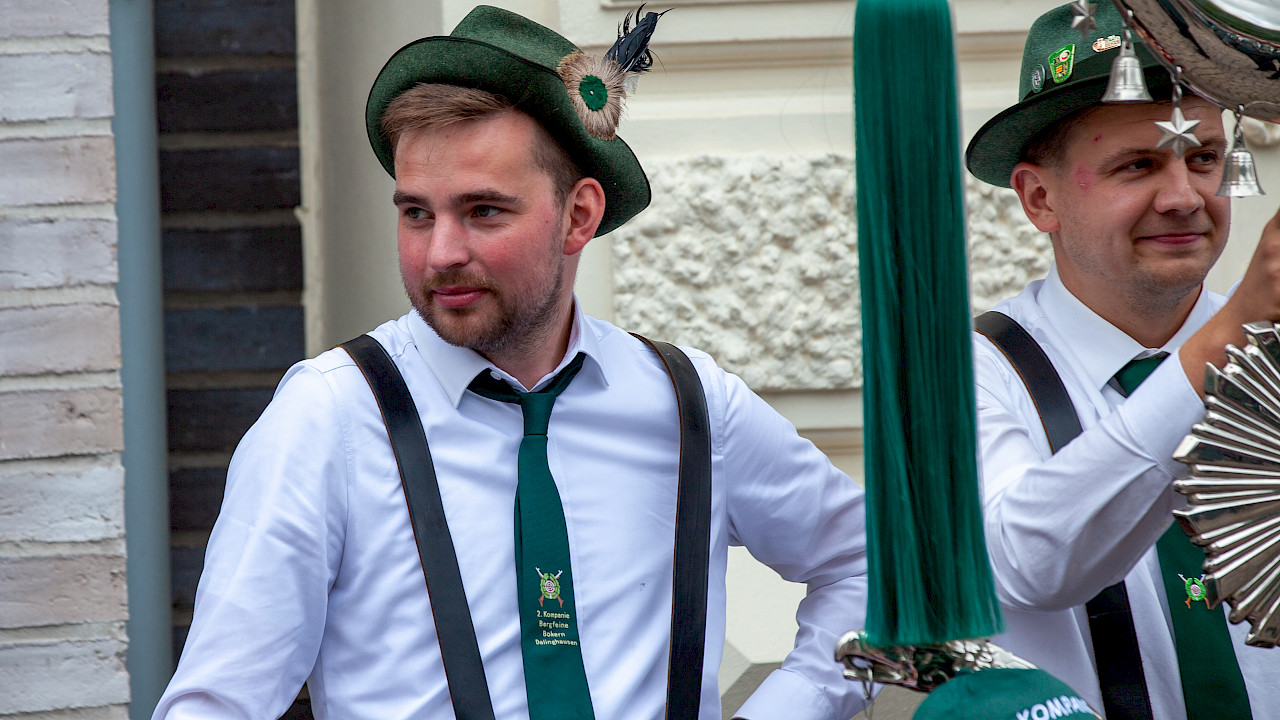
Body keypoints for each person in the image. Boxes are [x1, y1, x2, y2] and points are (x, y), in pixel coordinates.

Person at [151, 6, 869, 720]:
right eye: (417, 213)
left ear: (579, 216)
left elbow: (867, 566)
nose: (440, 254)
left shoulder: (691, 405)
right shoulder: (328, 417)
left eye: (484, 211)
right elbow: (216, 704)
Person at [965, 2, 1280, 718]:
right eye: (1138, 166)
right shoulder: (962, 375)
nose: (1184, 198)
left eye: (1204, 159)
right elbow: (1030, 564)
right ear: (1039, 199)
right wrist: (1226, 336)